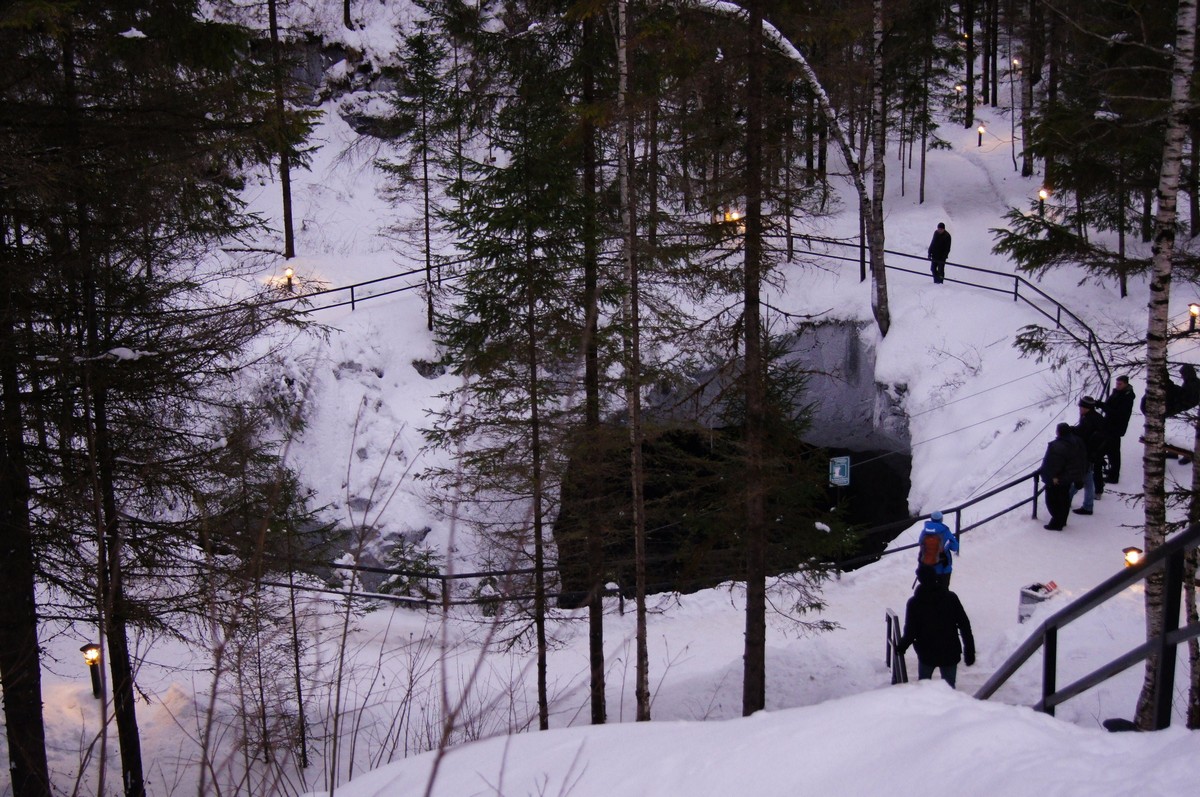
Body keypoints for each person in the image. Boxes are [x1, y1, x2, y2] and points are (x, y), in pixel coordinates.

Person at [897, 567, 976, 689]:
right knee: (950, 689)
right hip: (950, 651)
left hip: (926, 652)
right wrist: (969, 650)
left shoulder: (914, 603)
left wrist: (902, 646)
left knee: (923, 687)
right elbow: (964, 625)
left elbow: (910, 631)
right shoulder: (951, 598)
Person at [1039, 422, 1086, 530]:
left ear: (1059, 432)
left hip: (1057, 479)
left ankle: (1056, 523)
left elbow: (1052, 464)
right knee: (1064, 499)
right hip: (1068, 477)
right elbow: (1081, 459)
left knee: (1052, 501)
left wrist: (1051, 477)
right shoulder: (1077, 441)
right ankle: (1062, 520)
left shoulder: (1057, 446)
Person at [1070, 395, 1108, 515]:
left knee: (1082, 477)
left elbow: (1083, 434)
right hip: (1095, 453)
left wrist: (1071, 430)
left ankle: (1080, 503)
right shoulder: (1096, 417)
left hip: (1088, 453)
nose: (1079, 408)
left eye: (1081, 406)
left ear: (1087, 408)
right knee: (1088, 478)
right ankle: (1087, 504)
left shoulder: (1088, 420)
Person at [1101, 375, 1135, 484]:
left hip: (1116, 427)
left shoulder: (1127, 397)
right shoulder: (1117, 393)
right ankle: (1112, 472)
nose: (1117, 386)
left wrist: (1104, 407)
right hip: (1110, 425)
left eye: (1120, 384)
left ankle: (1114, 476)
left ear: (1125, 384)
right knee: (1110, 451)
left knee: (1114, 452)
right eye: (1117, 383)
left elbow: (1118, 413)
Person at [915, 510, 958, 587]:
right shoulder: (945, 531)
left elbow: (921, 544)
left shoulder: (924, 531)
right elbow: (955, 547)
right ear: (941, 519)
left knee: (929, 593)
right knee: (943, 593)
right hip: (943, 570)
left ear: (931, 519)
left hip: (927, 569)